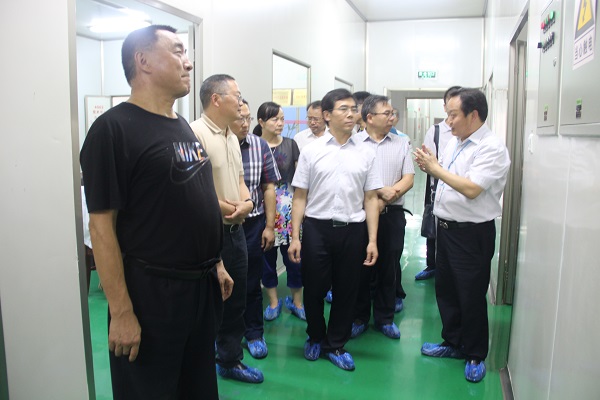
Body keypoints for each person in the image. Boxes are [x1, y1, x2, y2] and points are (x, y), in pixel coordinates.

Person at [80, 25, 233, 400]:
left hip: (200, 290)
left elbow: (190, 200)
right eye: (178, 51)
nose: (188, 62)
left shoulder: (179, 125)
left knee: (198, 388)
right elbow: (101, 228)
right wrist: (121, 312)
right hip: (153, 295)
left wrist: (215, 262)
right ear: (143, 61)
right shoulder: (112, 131)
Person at [414, 88, 511, 383]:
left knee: (470, 294)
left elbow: (471, 188)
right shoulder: (456, 142)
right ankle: (453, 342)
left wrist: (435, 169)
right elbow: (450, 179)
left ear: (474, 115)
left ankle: (475, 353)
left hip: (472, 234)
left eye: (453, 115)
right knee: (447, 291)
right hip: (446, 230)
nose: (449, 121)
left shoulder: (491, 148)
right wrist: (434, 164)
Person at [288, 88, 381, 371]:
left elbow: (371, 198)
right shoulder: (311, 151)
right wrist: (295, 237)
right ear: (327, 115)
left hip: (353, 230)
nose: (351, 114)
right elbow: (300, 196)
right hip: (317, 229)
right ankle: (316, 336)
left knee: (347, 289)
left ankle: (336, 344)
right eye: (344, 109)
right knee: (314, 288)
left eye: (354, 109)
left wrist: (372, 240)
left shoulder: (367, 152)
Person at [190, 74, 263, 384]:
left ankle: (230, 360)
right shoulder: (194, 134)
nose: (241, 101)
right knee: (207, 304)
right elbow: (195, 191)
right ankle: (200, 365)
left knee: (236, 300)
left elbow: (241, 180)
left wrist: (247, 203)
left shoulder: (231, 135)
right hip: (210, 234)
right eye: (237, 94)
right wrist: (233, 209)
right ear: (216, 99)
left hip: (236, 232)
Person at [351, 95, 414, 340]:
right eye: (386, 113)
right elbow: (350, 178)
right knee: (360, 268)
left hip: (392, 215)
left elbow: (408, 179)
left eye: (392, 113)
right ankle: (359, 317)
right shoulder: (353, 143)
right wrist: (378, 191)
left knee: (389, 266)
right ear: (369, 117)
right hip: (359, 214)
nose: (391, 117)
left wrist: (386, 198)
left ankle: (385, 318)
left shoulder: (401, 143)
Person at [230, 100, 281, 359]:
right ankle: (225, 336)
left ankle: (253, 333)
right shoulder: (215, 144)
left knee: (251, 281)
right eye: (239, 118)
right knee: (222, 282)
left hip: (252, 224)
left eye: (248, 119)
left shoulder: (259, 145)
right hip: (222, 224)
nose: (245, 124)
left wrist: (270, 227)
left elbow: (269, 187)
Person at [253, 102, 304, 321]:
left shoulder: (291, 145)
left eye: (282, 119)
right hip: (261, 209)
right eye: (275, 119)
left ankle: (297, 302)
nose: (280, 123)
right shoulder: (253, 145)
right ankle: (274, 302)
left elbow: (301, 180)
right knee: (266, 259)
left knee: (295, 259)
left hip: (288, 211)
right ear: (261, 122)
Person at [414, 86, 462, 281]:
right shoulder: (436, 131)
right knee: (432, 226)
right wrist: (435, 169)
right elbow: (427, 162)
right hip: (436, 187)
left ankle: (448, 268)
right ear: (445, 107)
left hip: (458, 190)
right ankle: (432, 265)